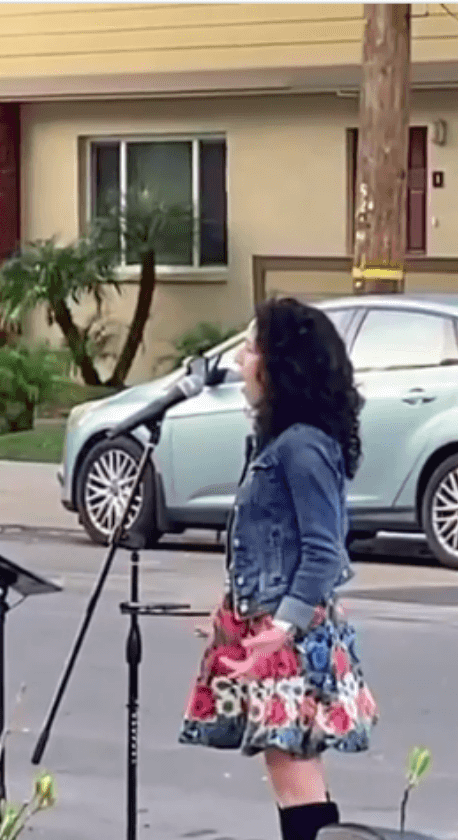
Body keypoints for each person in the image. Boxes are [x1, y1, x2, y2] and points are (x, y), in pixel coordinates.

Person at [179, 298, 377, 840]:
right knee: (294, 776)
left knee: (297, 781)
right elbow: (274, 550)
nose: (240, 360)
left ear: (279, 365)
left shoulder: (302, 448)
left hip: (289, 643)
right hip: (273, 631)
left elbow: (322, 552)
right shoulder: (283, 444)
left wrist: (277, 629)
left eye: (249, 348)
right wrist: (235, 615)